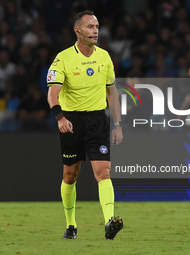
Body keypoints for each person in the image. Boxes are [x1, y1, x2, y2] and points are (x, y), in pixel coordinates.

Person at [47, 10, 123, 240]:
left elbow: (112, 92)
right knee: (70, 175)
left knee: (104, 172)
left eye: (97, 26)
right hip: (71, 121)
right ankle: (71, 225)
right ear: (77, 31)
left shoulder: (104, 57)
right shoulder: (63, 59)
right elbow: (53, 94)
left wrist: (118, 124)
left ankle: (110, 221)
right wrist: (60, 117)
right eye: (90, 27)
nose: (95, 31)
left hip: (98, 121)